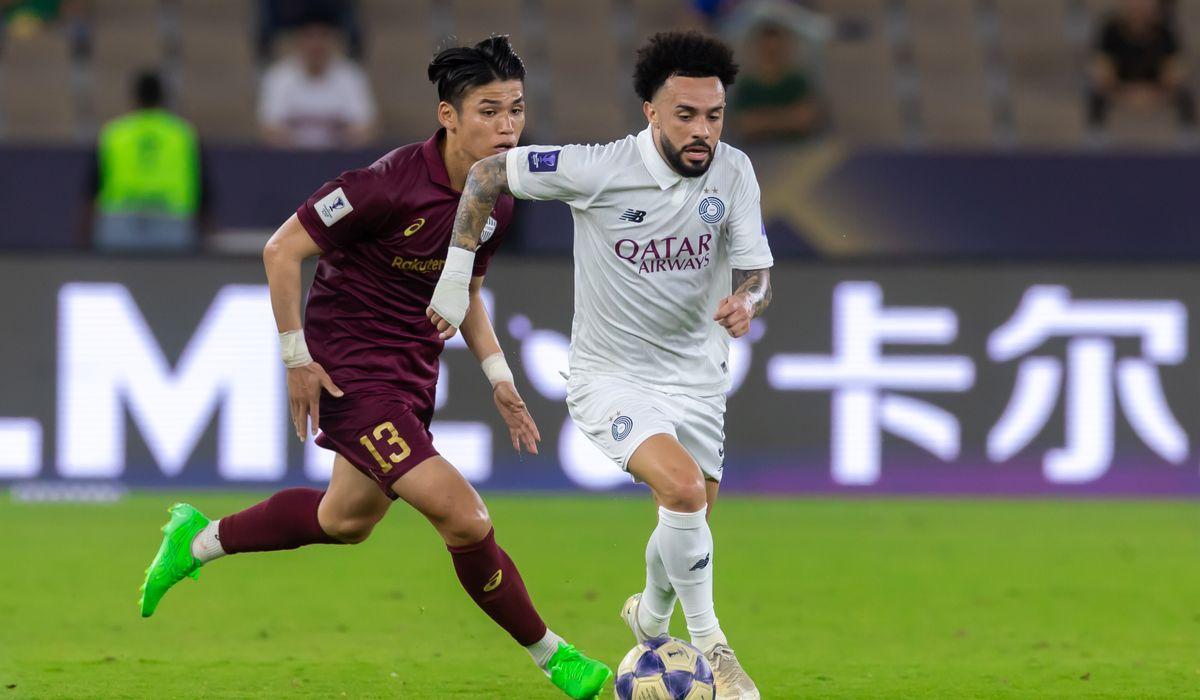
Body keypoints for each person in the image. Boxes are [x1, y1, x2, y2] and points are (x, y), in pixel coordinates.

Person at [138, 37, 612, 700]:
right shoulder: (384, 186)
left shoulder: (498, 198)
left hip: (412, 373)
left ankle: (197, 542)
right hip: (350, 375)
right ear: (448, 116)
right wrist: (296, 358)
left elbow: (466, 290)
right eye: (488, 111)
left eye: (516, 110)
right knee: (465, 518)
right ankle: (555, 657)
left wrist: (500, 378)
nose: (507, 126)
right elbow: (280, 250)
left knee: (345, 520)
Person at [429, 31, 772, 700]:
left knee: (689, 518)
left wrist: (747, 300)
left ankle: (650, 618)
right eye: (685, 115)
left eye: (713, 115)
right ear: (651, 111)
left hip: (699, 378)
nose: (702, 131)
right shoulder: (598, 168)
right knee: (683, 492)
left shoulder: (735, 172)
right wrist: (455, 273)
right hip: (611, 377)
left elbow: (757, 270)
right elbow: (486, 175)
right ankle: (715, 650)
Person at [84, 70, 211, 253]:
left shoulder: (114, 134)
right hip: (172, 223)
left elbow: (91, 189)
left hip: (121, 224)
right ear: (163, 98)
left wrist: (85, 240)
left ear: (135, 98)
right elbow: (203, 191)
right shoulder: (182, 134)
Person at [258, 12, 377, 149]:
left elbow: (366, 127)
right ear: (298, 42)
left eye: (322, 37)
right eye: (309, 37)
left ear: (332, 41)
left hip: (339, 157)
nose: (316, 44)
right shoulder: (279, 76)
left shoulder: (351, 75)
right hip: (292, 158)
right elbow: (268, 128)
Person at [1088, 0, 1195, 127]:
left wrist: (1151, 95)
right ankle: (1096, 134)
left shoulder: (1165, 31)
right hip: (1120, 91)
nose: (1138, 5)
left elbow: (1175, 73)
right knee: (1094, 92)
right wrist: (1126, 94)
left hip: (1156, 92)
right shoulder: (1110, 30)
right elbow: (1102, 71)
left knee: (1185, 93)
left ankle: (1188, 134)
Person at [730, 20, 820, 143]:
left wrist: (763, 119)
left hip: (798, 147)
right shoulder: (748, 85)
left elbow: (805, 119)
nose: (772, 56)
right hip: (756, 150)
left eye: (776, 51)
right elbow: (743, 124)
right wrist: (787, 118)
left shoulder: (797, 81)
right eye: (768, 51)